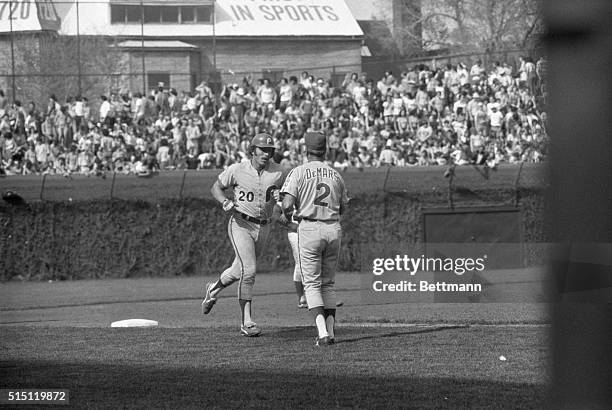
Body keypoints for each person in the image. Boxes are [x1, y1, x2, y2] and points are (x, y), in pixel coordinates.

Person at [201, 133, 285, 337]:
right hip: (240, 223)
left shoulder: (278, 172)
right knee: (250, 270)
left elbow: (283, 200)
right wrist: (224, 201)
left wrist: (281, 197)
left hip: (264, 226)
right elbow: (216, 187)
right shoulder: (237, 169)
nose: (266, 153)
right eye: (262, 149)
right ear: (252, 150)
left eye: (270, 150)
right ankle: (246, 321)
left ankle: (213, 290)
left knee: (238, 270)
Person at [281, 131, 349, 347]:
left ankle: (322, 334)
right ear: (325, 150)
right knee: (328, 284)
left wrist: (289, 212)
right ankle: (331, 332)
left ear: (305, 150)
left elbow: (287, 204)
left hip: (309, 228)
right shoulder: (336, 175)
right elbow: (344, 206)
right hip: (333, 228)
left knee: (311, 284)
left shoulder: (299, 172)